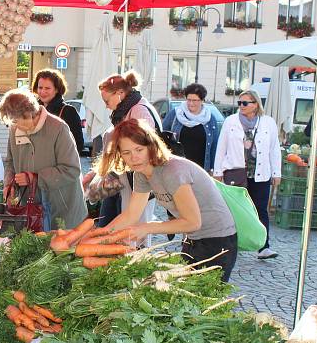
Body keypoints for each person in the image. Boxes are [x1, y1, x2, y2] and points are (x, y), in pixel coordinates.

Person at [100, 119, 238, 281]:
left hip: (218, 242)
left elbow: (193, 222)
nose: (134, 158)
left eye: (139, 149)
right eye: (126, 152)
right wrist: (101, 237)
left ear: (150, 146)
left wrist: (147, 228)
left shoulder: (173, 171)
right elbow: (131, 214)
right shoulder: (141, 173)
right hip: (193, 240)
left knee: (206, 300)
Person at [0, 88, 87, 230]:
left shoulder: (58, 128)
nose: (14, 126)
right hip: (32, 210)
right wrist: (9, 183)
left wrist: (36, 178)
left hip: (63, 209)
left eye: (16, 121)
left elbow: (72, 169)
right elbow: (10, 162)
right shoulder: (14, 129)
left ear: (29, 113)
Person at [88, 70, 163, 228]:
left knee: (133, 227)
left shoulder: (139, 110)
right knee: (111, 224)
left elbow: (144, 150)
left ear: (120, 93)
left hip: (137, 181)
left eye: (107, 101)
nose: (106, 106)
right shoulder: (128, 109)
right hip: (124, 180)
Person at [213, 90, 282, 260]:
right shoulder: (231, 121)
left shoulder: (268, 122)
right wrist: (217, 171)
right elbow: (221, 147)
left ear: (256, 104)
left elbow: (274, 149)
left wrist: (276, 172)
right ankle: (232, 244)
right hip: (235, 171)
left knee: (260, 210)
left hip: (260, 173)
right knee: (235, 210)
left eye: (245, 103)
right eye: (240, 103)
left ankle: (263, 246)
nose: (241, 106)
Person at [162, 83, 220, 172]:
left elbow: (214, 146)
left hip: (201, 170)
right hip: (177, 169)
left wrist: (214, 170)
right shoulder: (175, 114)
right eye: (189, 100)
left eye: (195, 100)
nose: (191, 103)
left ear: (202, 100)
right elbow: (162, 138)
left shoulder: (210, 119)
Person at [32, 68, 84, 156]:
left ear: (57, 89)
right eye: (40, 87)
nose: (43, 91)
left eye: (47, 88)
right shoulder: (32, 110)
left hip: (59, 166)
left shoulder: (68, 112)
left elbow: (78, 144)